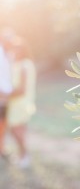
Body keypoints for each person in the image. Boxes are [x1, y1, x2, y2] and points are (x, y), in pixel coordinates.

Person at [7, 37, 36, 168]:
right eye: (14, 48)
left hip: (19, 102)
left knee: (16, 131)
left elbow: (22, 89)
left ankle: (25, 156)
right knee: (17, 131)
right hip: (17, 102)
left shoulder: (24, 65)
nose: (15, 51)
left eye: (18, 48)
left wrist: (4, 94)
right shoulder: (21, 64)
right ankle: (22, 155)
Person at [0, 38, 13, 159]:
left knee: (3, 123)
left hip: (6, 96)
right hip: (2, 94)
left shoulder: (7, 53)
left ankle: (2, 148)